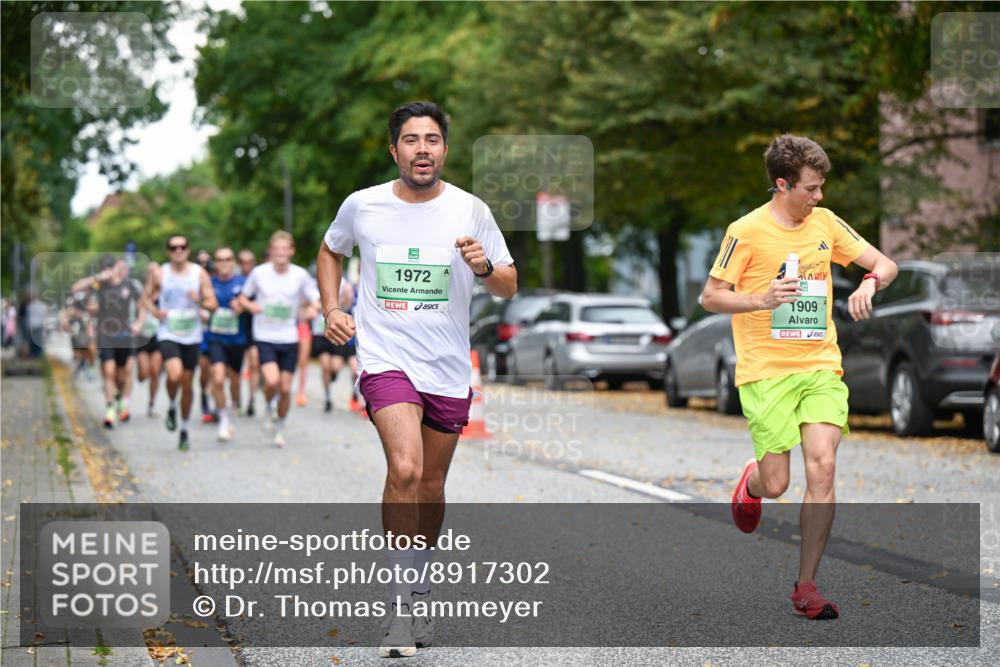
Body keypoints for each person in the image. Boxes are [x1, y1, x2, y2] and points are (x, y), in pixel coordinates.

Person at [317, 101, 517, 658]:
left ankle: (420, 584)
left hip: (447, 366)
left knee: (430, 484)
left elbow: (508, 284)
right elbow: (330, 252)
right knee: (403, 468)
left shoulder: (470, 210)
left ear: (444, 150)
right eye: (411, 139)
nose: (422, 148)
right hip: (385, 359)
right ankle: (400, 604)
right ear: (394, 150)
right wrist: (331, 308)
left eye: (432, 139)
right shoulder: (363, 206)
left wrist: (481, 266)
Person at [702, 134, 898, 620]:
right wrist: (760, 299)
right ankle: (753, 485)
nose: (820, 197)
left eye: (821, 186)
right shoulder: (745, 231)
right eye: (811, 188)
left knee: (824, 468)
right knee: (778, 482)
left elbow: (885, 263)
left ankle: (806, 585)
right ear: (782, 184)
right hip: (766, 371)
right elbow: (710, 296)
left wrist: (870, 282)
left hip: (819, 366)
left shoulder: (826, 224)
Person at [238, 231, 320, 448]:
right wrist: (251, 306)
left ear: (291, 251)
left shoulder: (300, 275)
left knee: (285, 388)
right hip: (265, 336)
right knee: (272, 381)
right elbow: (243, 298)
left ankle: (280, 427)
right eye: (277, 249)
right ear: (271, 251)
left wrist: (312, 310)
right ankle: (268, 404)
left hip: (289, 337)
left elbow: (316, 300)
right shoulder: (259, 273)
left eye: (285, 249)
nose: (281, 253)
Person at [142, 235, 218, 450]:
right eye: (173, 247)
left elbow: (213, 304)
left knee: (187, 383)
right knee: (174, 375)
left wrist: (199, 300)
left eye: (182, 246)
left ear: (188, 249)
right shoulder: (160, 273)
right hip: (168, 333)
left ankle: (183, 428)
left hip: (192, 336)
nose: (178, 250)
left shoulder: (199, 273)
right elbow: (145, 298)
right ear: (168, 251)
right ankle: (172, 403)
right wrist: (155, 311)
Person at [71, 257, 142, 428]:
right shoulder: (101, 285)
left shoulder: (130, 286)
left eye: (118, 267)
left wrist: (139, 323)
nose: (114, 270)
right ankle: (110, 409)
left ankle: (122, 400)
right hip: (105, 335)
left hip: (125, 335)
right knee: (109, 372)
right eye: (110, 267)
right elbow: (76, 288)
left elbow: (142, 305)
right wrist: (98, 277)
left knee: (123, 374)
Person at [205, 246, 248, 441]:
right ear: (216, 263)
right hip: (216, 338)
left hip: (237, 340)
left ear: (233, 263)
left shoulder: (243, 283)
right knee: (218, 378)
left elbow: (254, 303)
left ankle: (234, 405)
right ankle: (223, 420)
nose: (224, 263)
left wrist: (242, 305)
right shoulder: (209, 283)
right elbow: (202, 301)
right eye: (220, 259)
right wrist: (203, 306)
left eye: (228, 259)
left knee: (235, 380)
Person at [133, 263, 164, 417]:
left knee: (155, 371)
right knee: (144, 372)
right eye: (150, 272)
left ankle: (151, 404)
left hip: (158, 336)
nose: (154, 274)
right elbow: (140, 307)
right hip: (143, 337)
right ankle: (139, 375)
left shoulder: (166, 291)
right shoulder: (144, 292)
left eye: (156, 271)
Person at [237, 248, 261, 416]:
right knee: (236, 367)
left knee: (254, 363)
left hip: (255, 327)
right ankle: (236, 398)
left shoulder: (259, 280)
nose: (246, 266)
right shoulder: (235, 281)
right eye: (242, 262)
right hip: (237, 327)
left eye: (249, 262)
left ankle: (252, 398)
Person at [196, 250, 217, 424]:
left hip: (216, 332)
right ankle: (204, 396)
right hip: (199, 332)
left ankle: (215, 403)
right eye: (199, 262)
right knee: (204, 370)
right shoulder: (191, 281)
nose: (203, 265)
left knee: (216, 370)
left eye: (206, 262)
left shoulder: (215, 281)